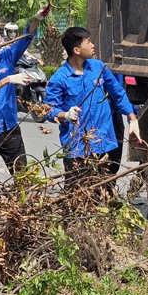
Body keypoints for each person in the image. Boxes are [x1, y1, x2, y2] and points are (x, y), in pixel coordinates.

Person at [45, 27, 140, 187]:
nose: (93, 45)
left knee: (106, 187)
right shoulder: (59, 79)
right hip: (77, 146)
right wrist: (65, 115)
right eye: (88, 42)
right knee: (77, 191)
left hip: (104, 141)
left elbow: (117, 93)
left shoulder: (99, 67)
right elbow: (49, 110)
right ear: (76, 50)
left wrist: (132, 118)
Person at [0, 5, 50, 179]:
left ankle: (22, 205)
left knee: (23, 178)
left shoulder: (7, 56)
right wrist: (6, 80)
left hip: (11, 129)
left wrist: (36, 19)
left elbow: (26, 38)